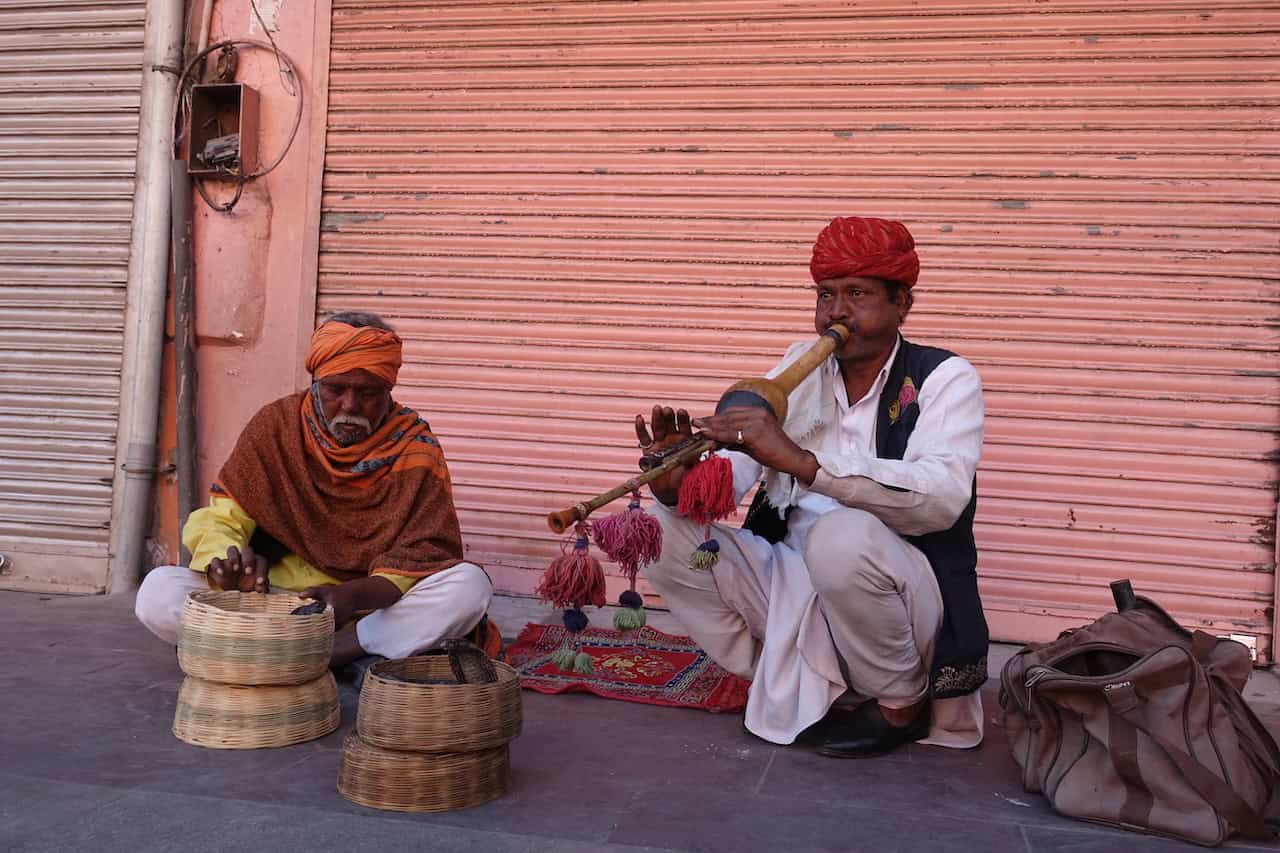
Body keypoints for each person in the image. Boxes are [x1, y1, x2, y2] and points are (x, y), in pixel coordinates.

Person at [635, 216, 987, 758]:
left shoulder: (945, 378)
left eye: (857, 294)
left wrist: (805, 463)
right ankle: (793, 678)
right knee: (658, 531)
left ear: (902, 303)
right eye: (826, 295)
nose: (837, 313)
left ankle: (900, 702)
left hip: (902, 591)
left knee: (841, 538)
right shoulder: (798, 367)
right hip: (794, 578)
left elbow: (938, 498)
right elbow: (733, 476)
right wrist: (677, 482)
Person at [135, 311, 500, 668]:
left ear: (389, 389)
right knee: (158, 591)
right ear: (315, 381)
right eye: (335, 389)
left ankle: (320, 652)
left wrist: (350, 596)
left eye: (368, 393)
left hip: (364, 610)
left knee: (469, 587)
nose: (350, 405)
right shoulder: (276, 427)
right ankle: (311, 655)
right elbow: (224, 516)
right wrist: (226, 560)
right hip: (274, 603)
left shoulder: (414, 446)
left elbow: (426, 550)